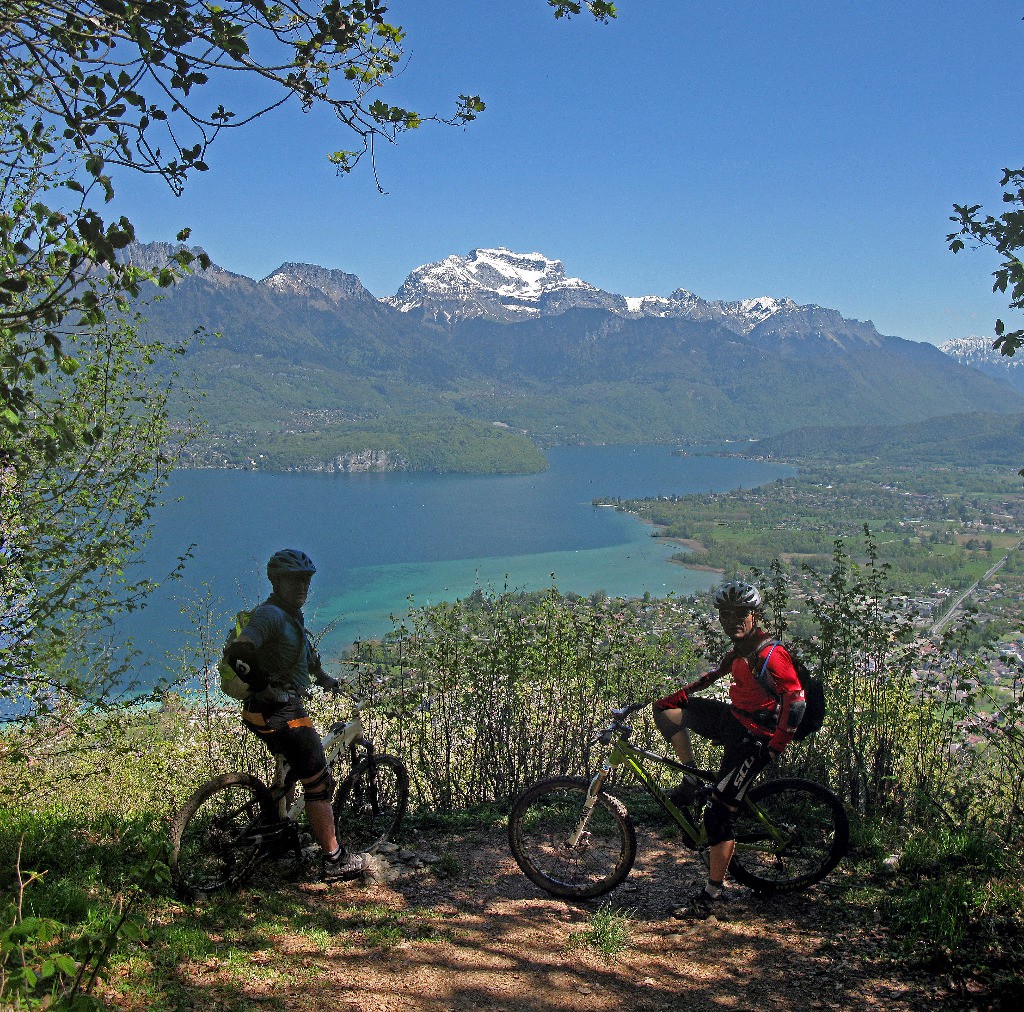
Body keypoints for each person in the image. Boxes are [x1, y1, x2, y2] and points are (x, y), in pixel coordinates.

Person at [652, 580, 805, 919]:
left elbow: (796, 703)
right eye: (726, 614)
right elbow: (711, 677)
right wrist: (679, 696)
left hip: (756, 736)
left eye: (741, 614)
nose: (733, 620)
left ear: (754, 615)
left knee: (718, 814)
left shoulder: (770, 654)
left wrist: (774, 748)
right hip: (734, 719)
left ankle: (712, 894)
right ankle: (691, 780)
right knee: (667, 711)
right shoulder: (740, 649)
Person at [222, 548, 364, 881]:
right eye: (294, 580)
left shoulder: (290, 616)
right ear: (276, 581)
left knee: (288, 772)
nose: (302, 587)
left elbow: (303, 653)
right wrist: (262, 684)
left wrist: (325, 679)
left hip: (261, 712)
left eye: (305, 580)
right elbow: (241, 651)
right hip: (282, 711)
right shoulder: (270, 615)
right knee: (318, 782)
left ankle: (276, 838)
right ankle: (335, 859)